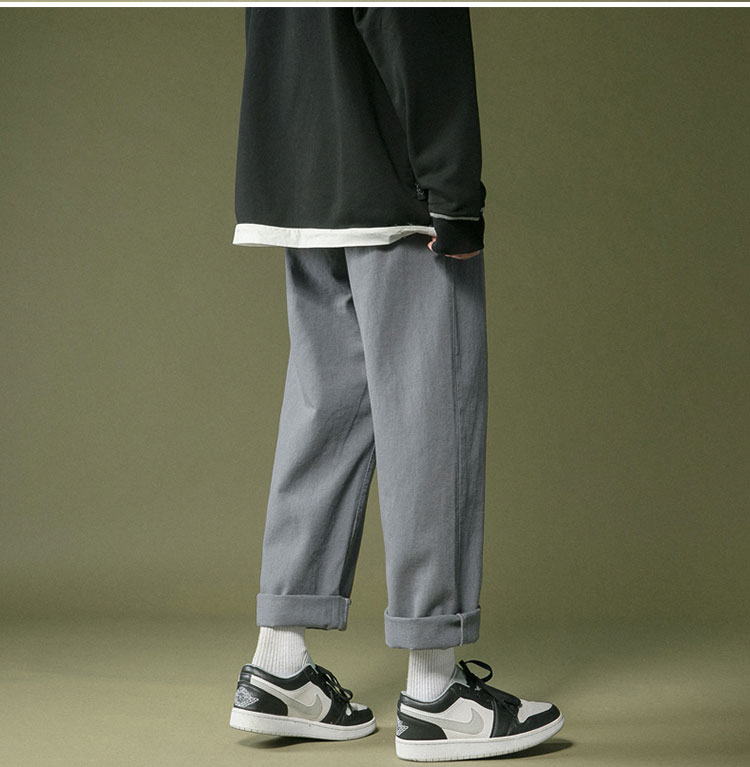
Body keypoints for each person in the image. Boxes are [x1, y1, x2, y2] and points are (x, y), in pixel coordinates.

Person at [227, 8, 564, 761]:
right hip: (395, 178)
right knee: (431, 413)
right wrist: (453, 191)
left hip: (300, 171)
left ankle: (279, 667)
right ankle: (437, 691)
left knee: (327, 406)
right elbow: (413, 22)